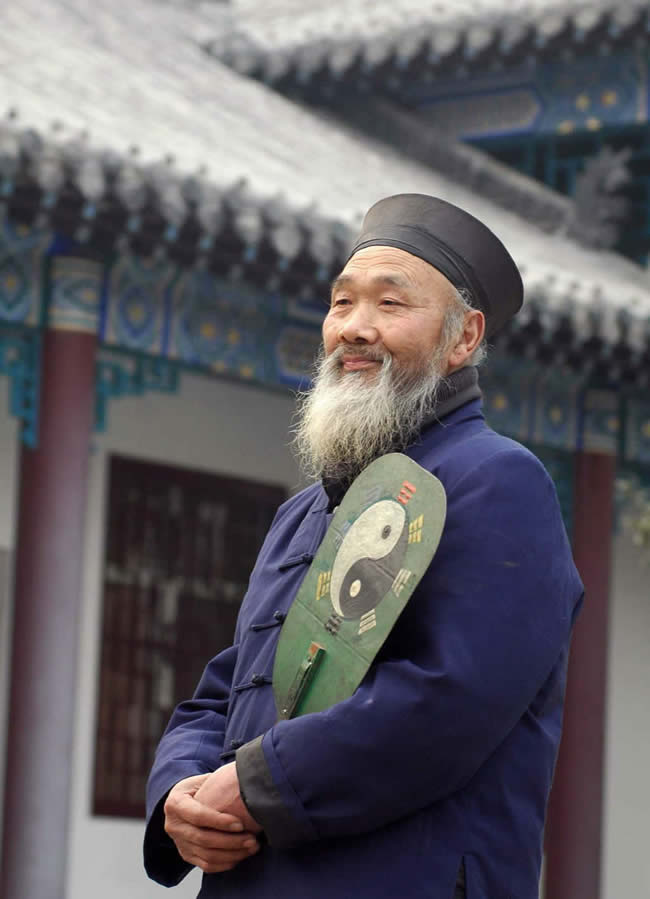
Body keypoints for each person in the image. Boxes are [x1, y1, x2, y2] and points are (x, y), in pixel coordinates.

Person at [144, 194, 584, 899]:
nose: (355, 328)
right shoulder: (302, 513)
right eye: (341, 303)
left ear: (463, 337)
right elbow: (228, 688)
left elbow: (451, 698)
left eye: (389, 304)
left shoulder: (497, 482)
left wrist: (256, 785)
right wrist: (181, 793)